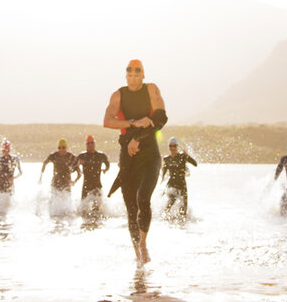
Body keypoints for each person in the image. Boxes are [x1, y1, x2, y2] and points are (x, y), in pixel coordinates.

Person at [103, 59, 168, 265]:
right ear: (126, 76)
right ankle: (138, 253)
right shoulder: (118, 95)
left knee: (143, 198)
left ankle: (143, 243)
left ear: (143, 75)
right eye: (129, 75)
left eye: (137, 75)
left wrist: (137, 138)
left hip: (149, 153)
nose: (133, 78)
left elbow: (161, 118)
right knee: (131, 208)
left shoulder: (151, 90)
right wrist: (132, 123)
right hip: (128, 157)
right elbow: (107, 121)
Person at [161, 137, 197, 217]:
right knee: (170, 203)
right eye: (171, 146)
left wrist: (187, 155)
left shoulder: (182, 157)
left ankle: (182, 223)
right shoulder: (167, 159)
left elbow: (195, 164)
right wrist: (162, 178)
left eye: (174, 146)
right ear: (168, 147)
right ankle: (165, 219)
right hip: (171, 184)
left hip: (181, 184)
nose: (172, 148)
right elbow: (164, 170)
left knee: (183, 207)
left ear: (177, 147)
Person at [75, 135, 110, 200]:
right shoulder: (82, 156)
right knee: (83, 208)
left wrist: (106, 169)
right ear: (86, 144)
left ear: (95, 143)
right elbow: (73, 167)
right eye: (88, 143)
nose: (90, 145)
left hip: (97, 185)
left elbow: (107, 164)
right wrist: (78, 165)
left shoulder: (100, 155)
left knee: (97, 208)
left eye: (92, 143)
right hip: (86, 186)